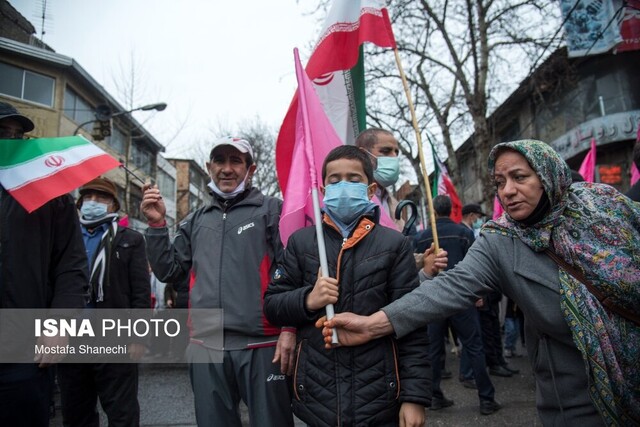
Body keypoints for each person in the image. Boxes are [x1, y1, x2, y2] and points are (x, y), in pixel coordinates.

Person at [322, 139, 640, 426]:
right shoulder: (498, 240)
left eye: (520, 177)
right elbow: (448, 290)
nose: (508, 191)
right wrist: (374, 323)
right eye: (500, 182)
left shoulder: (604, 205)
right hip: (576, 402)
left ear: (548, 176)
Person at [263, 145, 430, 427]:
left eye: (354, 180)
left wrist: (414, 397)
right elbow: (273, 305)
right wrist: (308, 299)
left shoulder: (394, 244)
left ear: (370, 189)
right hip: (314, 395)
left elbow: (411, 322)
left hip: (378, 394)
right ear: (323, 187)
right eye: (335, 179)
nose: (344, 186)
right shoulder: (301, 242)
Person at [141, 137, 295, 427]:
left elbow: (292, 272)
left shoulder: (273, 211)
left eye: (235, 161)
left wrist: (289, 329)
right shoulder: (195, 220)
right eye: (220, 161)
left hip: (263, 342)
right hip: (206, 342)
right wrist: (157, 225)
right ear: (209, 167)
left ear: (251, 169)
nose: (227, 169)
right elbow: (169, 271)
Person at [0, 101, 89, 426]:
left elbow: (71, 267)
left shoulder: (51, 197)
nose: (10, 141)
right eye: (2, 133)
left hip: (24, 352)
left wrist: (58, 327)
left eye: (17, 135)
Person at [57, 177, 150, 427]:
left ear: (113, 205)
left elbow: (140, 293)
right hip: (72, 338)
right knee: (76, 412)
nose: (93, 203)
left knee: (122, 412)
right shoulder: (66, 237)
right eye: (88, 197)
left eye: (102, 198)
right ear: (79, 203)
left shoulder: (130, 239)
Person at [414, 195, 500, 415]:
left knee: (434, 349)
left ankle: (433, 395)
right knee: (473, 346)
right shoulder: (463, 233)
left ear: (433, 212)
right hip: (461, 297)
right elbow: (476, 265)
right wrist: (477, 293)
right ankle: (486, 399)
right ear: (451, 209)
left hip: (433, 298)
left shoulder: (422, 237)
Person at [355, 128, 405, 230]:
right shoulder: (349, 199)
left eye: (396, 152)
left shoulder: (394, 204)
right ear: (363, 155)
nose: (394, 157)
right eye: (386, 151)